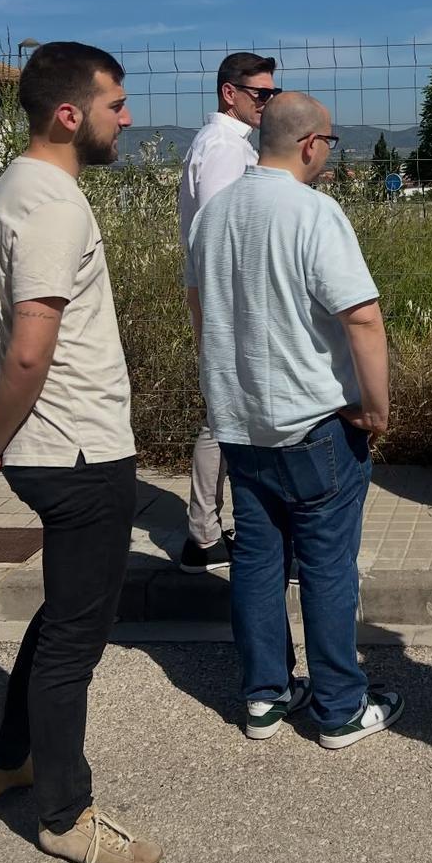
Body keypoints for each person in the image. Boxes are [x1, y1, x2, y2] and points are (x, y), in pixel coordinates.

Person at [0, 41, 162, 863]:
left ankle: (9, 757)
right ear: (69, 114)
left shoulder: (19, 187)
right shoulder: (53, 202)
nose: (128, 118)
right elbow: (30, 343)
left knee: (68, 609)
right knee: (80, 630)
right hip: (75, 447)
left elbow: (11, 335)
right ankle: (67, 817)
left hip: (54, 439)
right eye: (116, 103)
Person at [185, 91, 404, 749]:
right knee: (328, 563)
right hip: (316, 422)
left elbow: (201, 311)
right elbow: (361, 315)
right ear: (310, 144)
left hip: (240, 419)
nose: (329, 155)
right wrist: (377, 407)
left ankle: (265, 694)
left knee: (257, 559)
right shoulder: (314, 213)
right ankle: (339, 705)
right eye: (330, 143)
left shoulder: (214, 215)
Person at [177, 51, 280, 572]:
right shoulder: (222, 148)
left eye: (272, 94)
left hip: (223, 295)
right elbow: (222, 233)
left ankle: (207, 531)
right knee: (226, 412)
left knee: (227, 410)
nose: (268, 102)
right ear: (229, 93)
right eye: (261, 94)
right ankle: (202, 535)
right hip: (227, 297)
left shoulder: (228, 144)